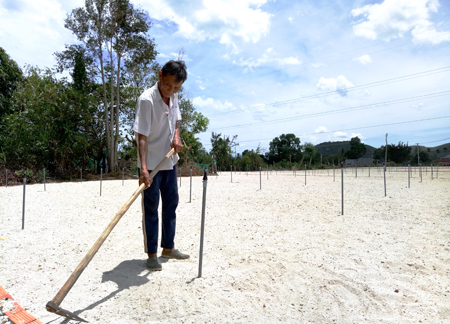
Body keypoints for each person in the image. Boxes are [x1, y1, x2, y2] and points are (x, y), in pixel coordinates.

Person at [133, 60, 189, 271]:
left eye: (177, 87)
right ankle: (152, 254)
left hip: (169, 161)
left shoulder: (174, 97)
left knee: (171, 205)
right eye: (168, 85)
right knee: (151, 209)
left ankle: (168, 247)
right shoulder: (146, 100)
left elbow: (175, 122)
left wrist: (177, 138)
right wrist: (144, 169)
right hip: (152, 164)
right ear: (160, 75)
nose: (171, 91)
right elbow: (141, 136)